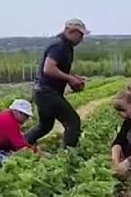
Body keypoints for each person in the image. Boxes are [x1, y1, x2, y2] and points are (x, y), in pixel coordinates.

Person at [25, 19, 89, 149]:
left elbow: (57, 69)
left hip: (43, 92)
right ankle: (68, 156)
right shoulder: (59, 46)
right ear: (69, 31)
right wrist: (70, 79)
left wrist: (72, 77)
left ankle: (19, 144)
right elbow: (48, 69)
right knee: (73, 122)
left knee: (45, 126)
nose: (81, 39)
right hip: (47, 93)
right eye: (80, 35)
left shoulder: (65, 46)